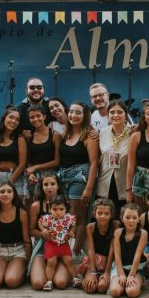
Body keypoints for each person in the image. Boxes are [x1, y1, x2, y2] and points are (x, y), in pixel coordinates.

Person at [58, 102, 99, 260]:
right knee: (66, 214)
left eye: (78, 113)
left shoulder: (89, 134)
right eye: (72, 112)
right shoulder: (65, 133)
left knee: (79, 217)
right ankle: (67, 248)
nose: (74, 115)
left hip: (80, 176)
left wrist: (89, 188)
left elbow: (94, 162)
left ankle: (74, 252)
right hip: (63, 176)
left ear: (85, 116)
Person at [28, 171, 71, 290]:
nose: (49, 187)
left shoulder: (66, 204)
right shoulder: (36, 206)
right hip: (42, 248)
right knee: (37, 283)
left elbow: (72, 225)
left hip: (60, 248)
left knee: (61, 283)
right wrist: (42, 233)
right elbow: (31, 230)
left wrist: (69, 234)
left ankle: (62, 268)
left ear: (58, 185)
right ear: (41, 187)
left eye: (52, 184)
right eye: (46, 184)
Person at [0, 181, 31, 288]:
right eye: (2, 192)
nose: (6, 194)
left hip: (18, 251)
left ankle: (20, 271)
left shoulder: (21, 213)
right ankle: (3, 269)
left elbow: (27, 239)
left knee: (11, 281)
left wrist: (28, 261)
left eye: (9, 191)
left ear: (13, 194)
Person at [0, 106, 27, 207]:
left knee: (17, 208)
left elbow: (22, 164)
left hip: (15, 177)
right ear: (4, 118)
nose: (14, 121)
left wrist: (10, 182)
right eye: (11, 117)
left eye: (17, 120)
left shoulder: (20, 139)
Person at [38, 194, 82, 291]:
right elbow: (40, 222)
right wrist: (43, 230)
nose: (58, 212)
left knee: (69, 261)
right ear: (50, 208)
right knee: (51, 262)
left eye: (61, 209)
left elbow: (74, 224)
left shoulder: (69, 218)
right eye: (55, 209)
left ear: (66, 209)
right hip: (51, 244)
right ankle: (49, 281)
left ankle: (74, 278)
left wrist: (71, 231)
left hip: (64, 244)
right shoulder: (47, 218)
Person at [97, 100, 131, 217]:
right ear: (108, 115)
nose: (115, 115)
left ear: (125, 114)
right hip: (104, 182)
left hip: (124, 184)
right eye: (112, 112)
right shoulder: (101, 133)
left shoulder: (134, 132)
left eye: (119, 112)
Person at [80, 198, 121, 294]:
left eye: (107, 214)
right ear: (94, 214)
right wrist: (92, 271)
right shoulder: (90, 227)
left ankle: (100, 277)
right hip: (95, 260)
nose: (103, 216)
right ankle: (82, 281)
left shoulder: (116, 225)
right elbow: (91, 250)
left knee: (101, 287)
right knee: (90, 288)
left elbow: (113, 249)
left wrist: (107, 272)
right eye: (100, 213)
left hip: (110, 260)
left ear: (111, 215)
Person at [109, 203, 147, 298]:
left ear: (138, 219)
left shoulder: (143, 233)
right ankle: (121, 282)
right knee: (115, 291)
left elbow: (138, 255)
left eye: (134, 218)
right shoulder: (117, 233)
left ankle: (136, 282)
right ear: (122, 218)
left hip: (136, 268)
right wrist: (121, 274)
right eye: (127, 217)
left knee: (132, 292)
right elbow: (117, 255)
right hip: (120, 267)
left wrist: (132, 275)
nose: (131, 221)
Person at [26, 105, 61, 204]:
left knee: (51, 205)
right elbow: (28, 160)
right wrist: (31, 173)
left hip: (51, 176)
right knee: (34, 205)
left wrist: (36, 167)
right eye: (32, 117)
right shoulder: (29, 136)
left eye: (38, 116)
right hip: (34, 177)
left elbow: (57, 161)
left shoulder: (55, 135)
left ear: (44, 116)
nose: (35, 119)